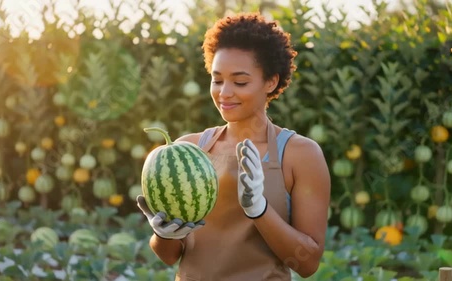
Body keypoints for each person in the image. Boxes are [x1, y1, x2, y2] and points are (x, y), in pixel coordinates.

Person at [137, 12, 331, 281]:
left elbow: (307, 264)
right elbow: (170, 255)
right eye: (217, 80)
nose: (224, 92)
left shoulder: (300, 155)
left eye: (240, 82)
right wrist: (163, 234)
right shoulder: (188, 150)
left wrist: (259, 210)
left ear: (271, 82)